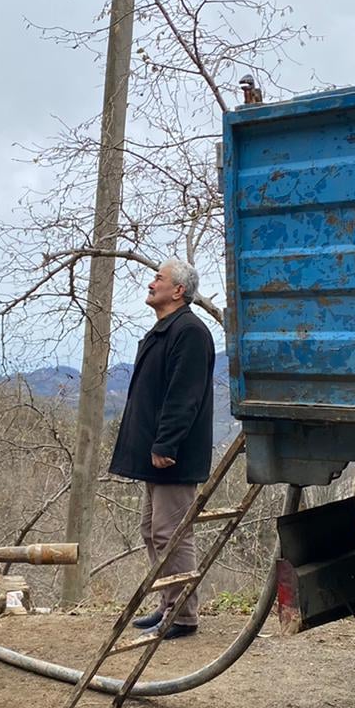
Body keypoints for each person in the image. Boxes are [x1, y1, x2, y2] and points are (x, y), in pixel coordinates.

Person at [109, 259, 215, 638]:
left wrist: (166, 442)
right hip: (157, 454)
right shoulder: (167, 329)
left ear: (178, 291)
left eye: (159, 278)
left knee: (172, 533)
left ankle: (183, 615)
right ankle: (168, 603)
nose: (151, 283)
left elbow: (183, 395)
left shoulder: (188, 331)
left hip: (174, 456)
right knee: (152, 531)